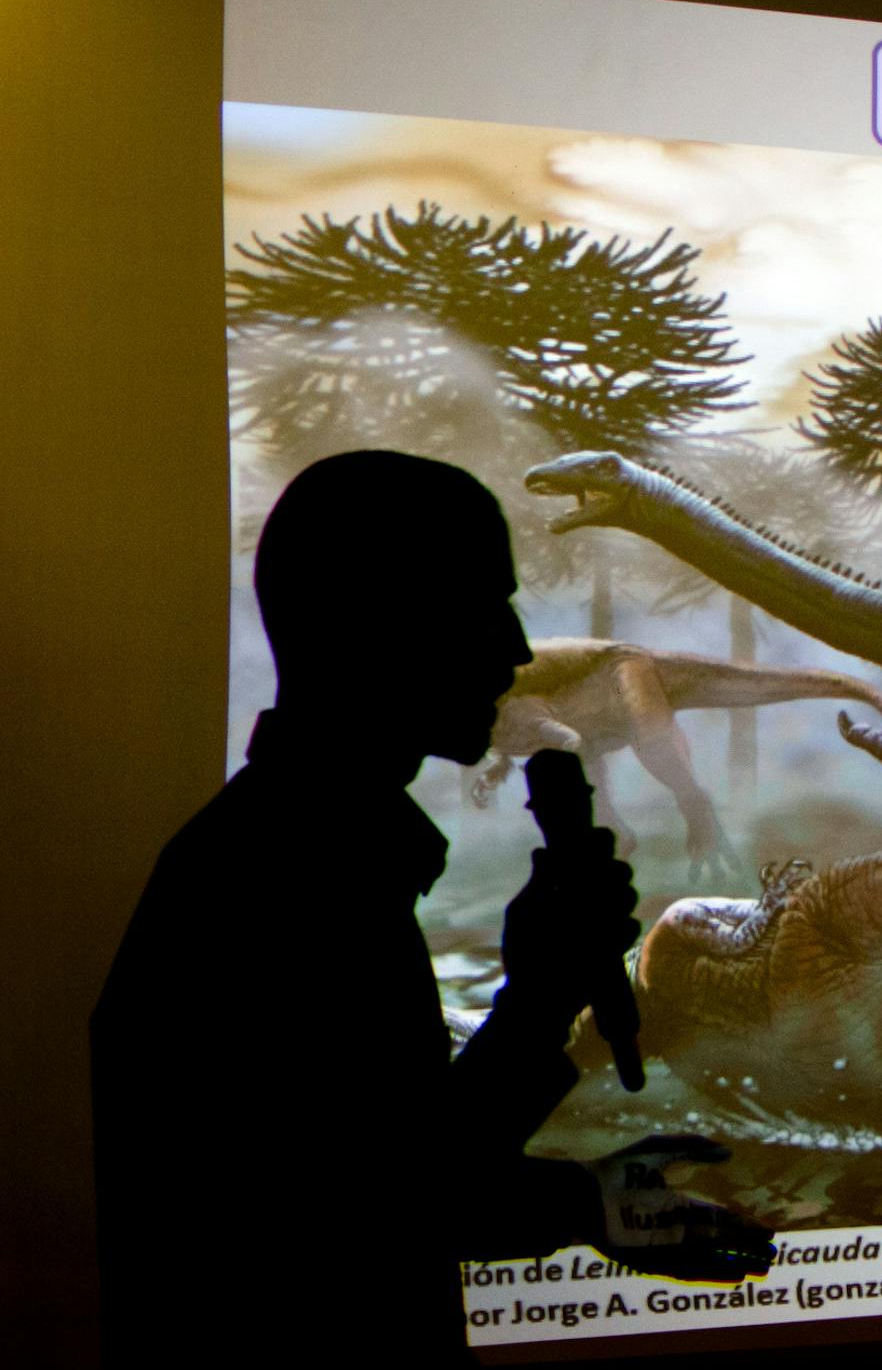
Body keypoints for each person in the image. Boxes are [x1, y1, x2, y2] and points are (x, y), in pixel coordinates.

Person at [91, 452, 772, 1367]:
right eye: (484, 605)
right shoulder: (283, 884)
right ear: (381, 622)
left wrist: (544, 1003)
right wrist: (541, 1015)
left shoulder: (286, 857)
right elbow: (373, 1207)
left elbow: (386, 1168)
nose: (518, 650)